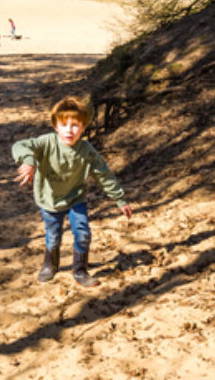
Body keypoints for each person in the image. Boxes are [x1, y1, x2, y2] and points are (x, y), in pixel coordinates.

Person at [12, 97, 132, 287]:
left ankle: (80, 270)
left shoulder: (87, 150)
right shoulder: (46, 143)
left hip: (76, 198)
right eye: (64, 124)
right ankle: (50, 265)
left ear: (83, 128)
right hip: (49, 200)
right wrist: (28, 161)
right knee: (53, 236)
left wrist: (119, 199)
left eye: (75, 125)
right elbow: (20, 146)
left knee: (83, 233)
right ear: (55, 126)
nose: (69, 130)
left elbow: (104, 175)